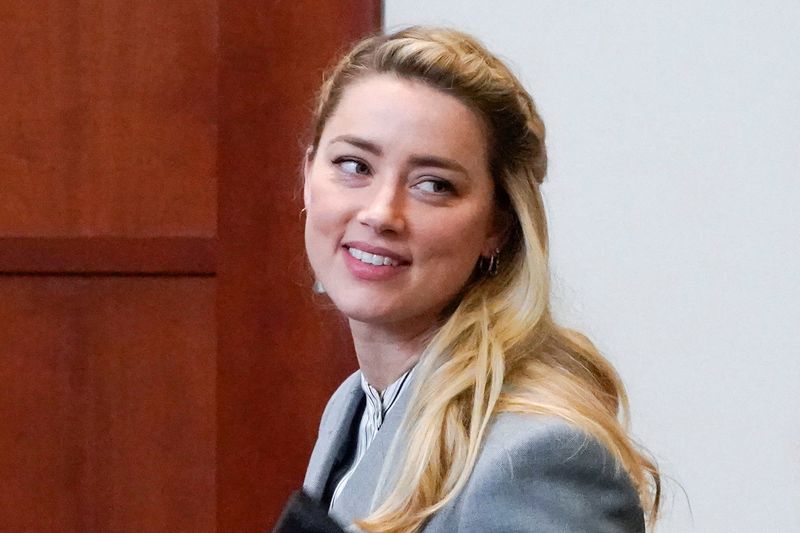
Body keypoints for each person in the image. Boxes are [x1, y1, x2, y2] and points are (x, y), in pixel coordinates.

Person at [299, 26, 660, 532]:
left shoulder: (533, 455)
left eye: (433, 185)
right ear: (308, 174)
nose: (380, 213)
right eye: (354, 165)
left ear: (497, 225)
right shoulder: (352, 407)